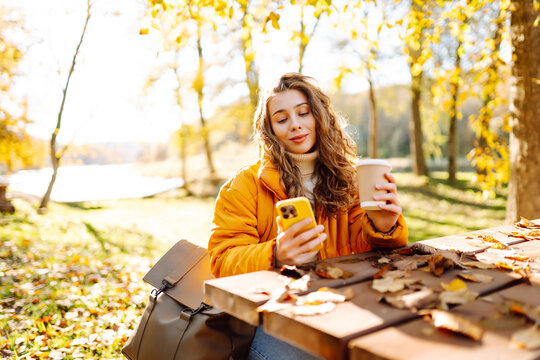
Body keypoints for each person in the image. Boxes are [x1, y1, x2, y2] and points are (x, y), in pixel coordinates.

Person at [207, 73, 408, 359]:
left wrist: (384, 228)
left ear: (320, 117)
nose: (296, 125)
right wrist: (275, 255)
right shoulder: (244, 186)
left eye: (303, 113)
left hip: (340, 304)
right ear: (270, 130)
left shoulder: (349, 179)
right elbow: (221, 260)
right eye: (282, 118)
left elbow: (368, 254)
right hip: (272, 316)